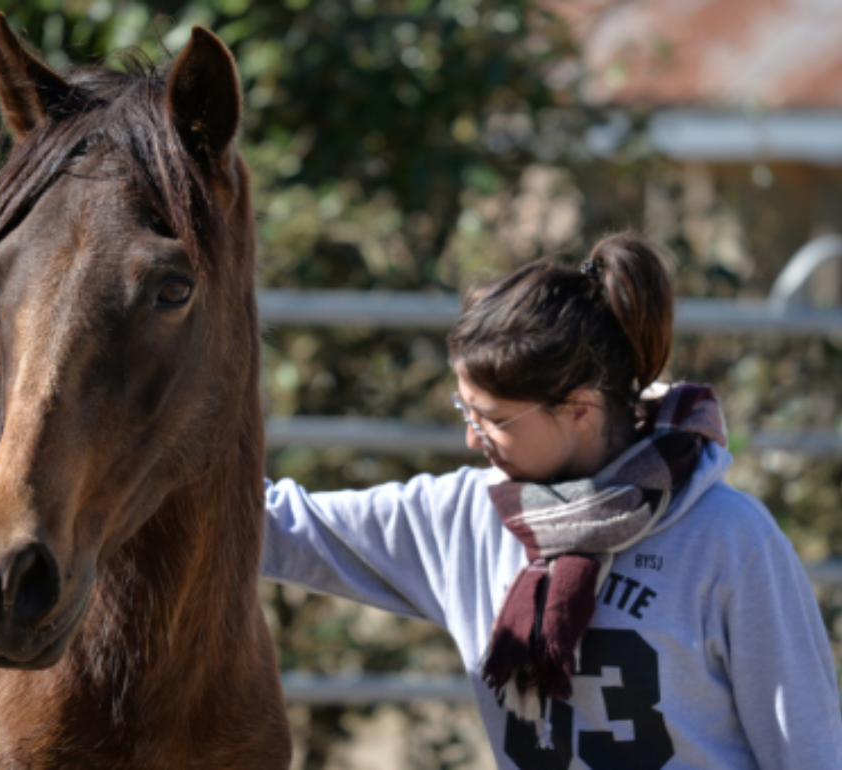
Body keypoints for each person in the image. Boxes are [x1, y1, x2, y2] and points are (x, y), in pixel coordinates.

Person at [262, 232, 842, 769]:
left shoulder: (730, 542)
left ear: (580, 409)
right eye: (464, 410)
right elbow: (267, 525)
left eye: (493, 419)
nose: (472, 439)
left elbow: (809, 749)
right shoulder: (465, 516)